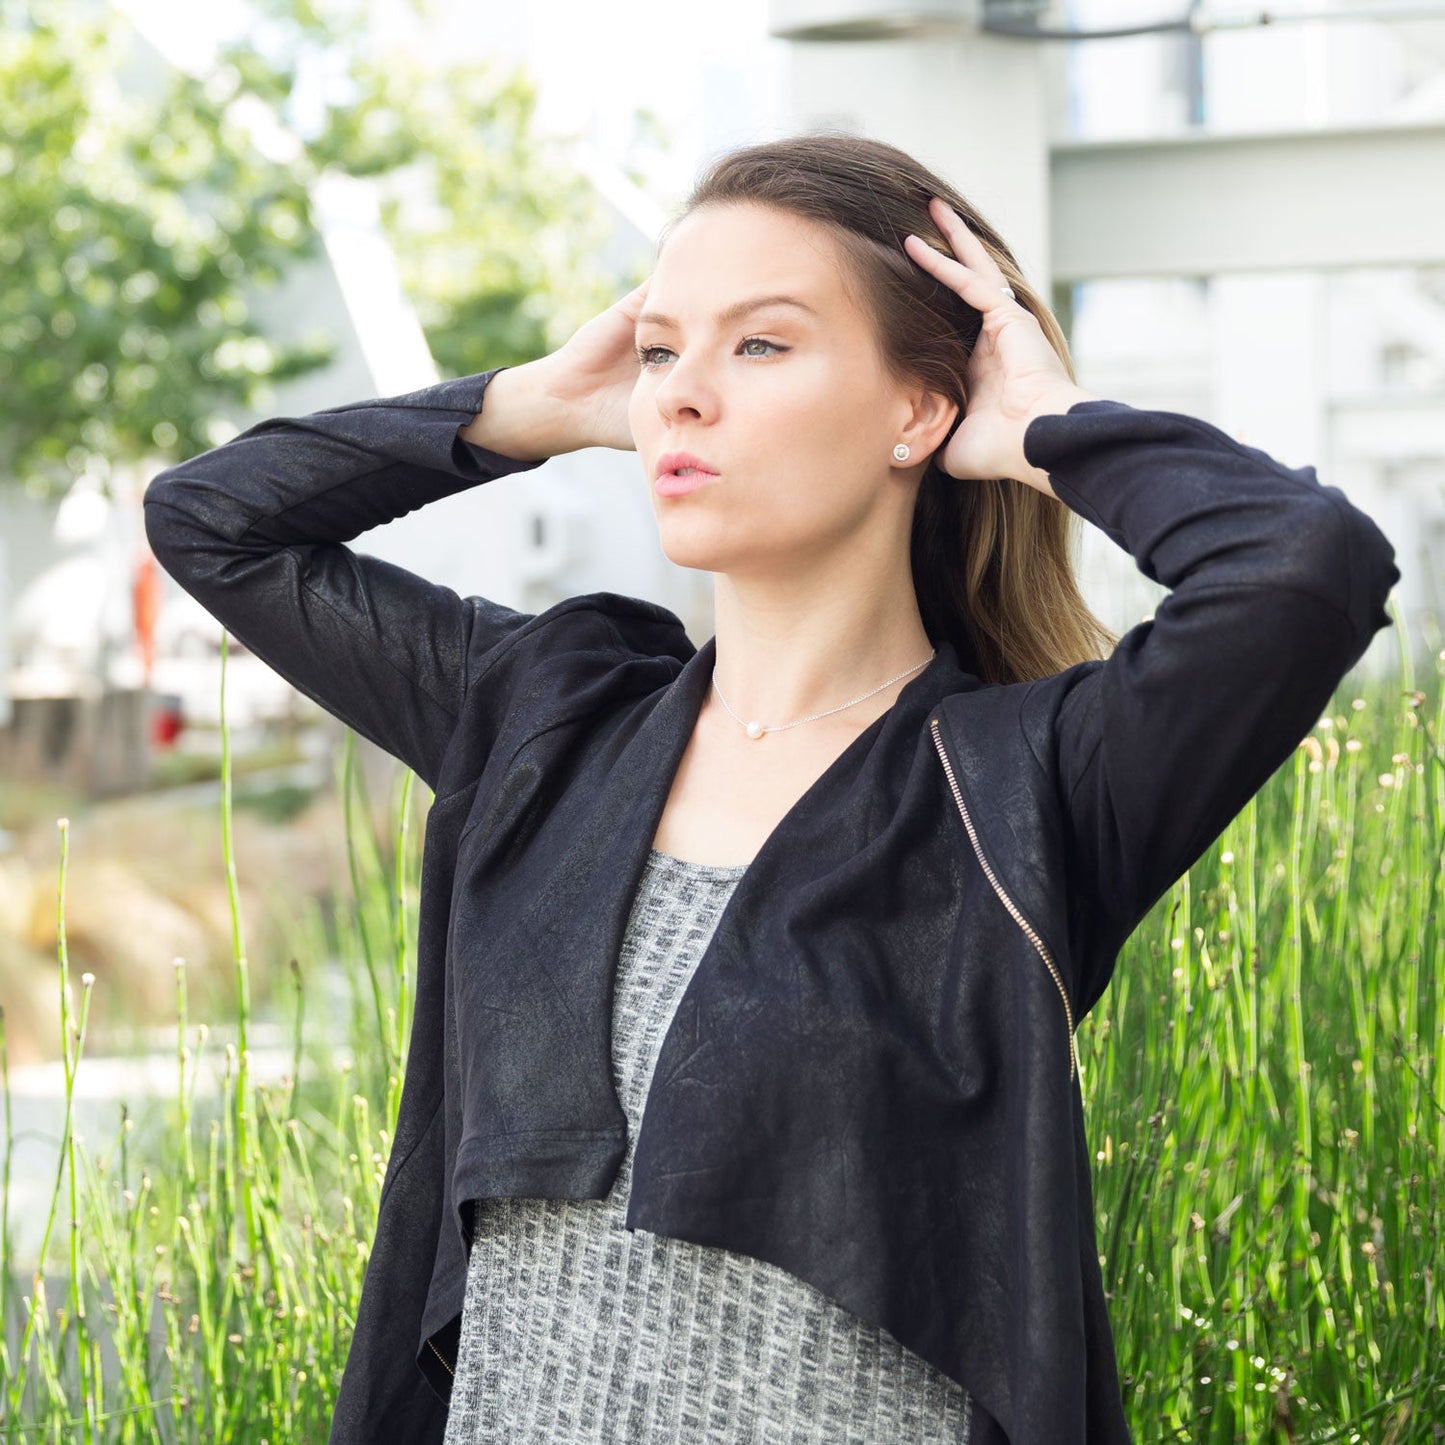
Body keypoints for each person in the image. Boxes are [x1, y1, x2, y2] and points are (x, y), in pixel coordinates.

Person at [143, 132, 1400, 1445]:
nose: (682, 395)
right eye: (659, 349)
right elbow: (211, 519)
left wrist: (1037, 425)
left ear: (922, 409)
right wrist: (535, 403)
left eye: (760, 345)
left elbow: (1303, 567)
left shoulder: (1027, 785)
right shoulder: (545, 714)